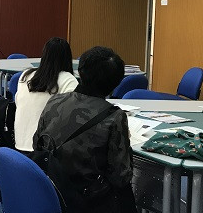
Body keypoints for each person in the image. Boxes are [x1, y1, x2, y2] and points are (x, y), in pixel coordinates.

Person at [33, 46, 136, 213]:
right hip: (87, 200)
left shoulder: (55, 101)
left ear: (80, 72)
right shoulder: (114, 116)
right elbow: (120, 176)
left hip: (49, 189)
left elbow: (37, 143)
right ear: (115, 84)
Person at [14, 37, 78, 152]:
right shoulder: (68, 80)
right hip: (44, 152)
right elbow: (71, 119)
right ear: (67, 57)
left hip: (18, 148)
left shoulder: (26, 75)